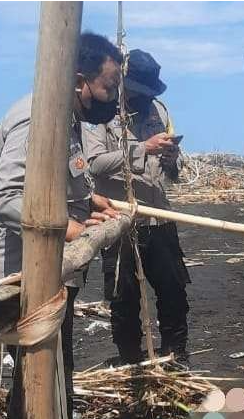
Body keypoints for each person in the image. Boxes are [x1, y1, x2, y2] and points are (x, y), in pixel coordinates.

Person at [0, 31, 124, 419]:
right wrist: (66, 226)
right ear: (81, 80)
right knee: (36, 387)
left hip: (56, 278)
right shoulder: (34, 117)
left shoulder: (67, 122)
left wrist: (91, 203)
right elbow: (5, 198)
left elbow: (65, 177)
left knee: (56, 380)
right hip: (26, 280)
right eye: (109, 87)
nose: (113, 98)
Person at [82, 49, 191, 367]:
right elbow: (95, 164)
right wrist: (143, 147)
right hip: (120, 219)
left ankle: (176, 356)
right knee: (123, 296)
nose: (144, 99)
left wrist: (173, 160)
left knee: (173, 290)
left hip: (159, 217)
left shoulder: (158, 110)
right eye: (138, 92)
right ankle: (130, 358)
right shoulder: (100, 114)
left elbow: (174, 169)